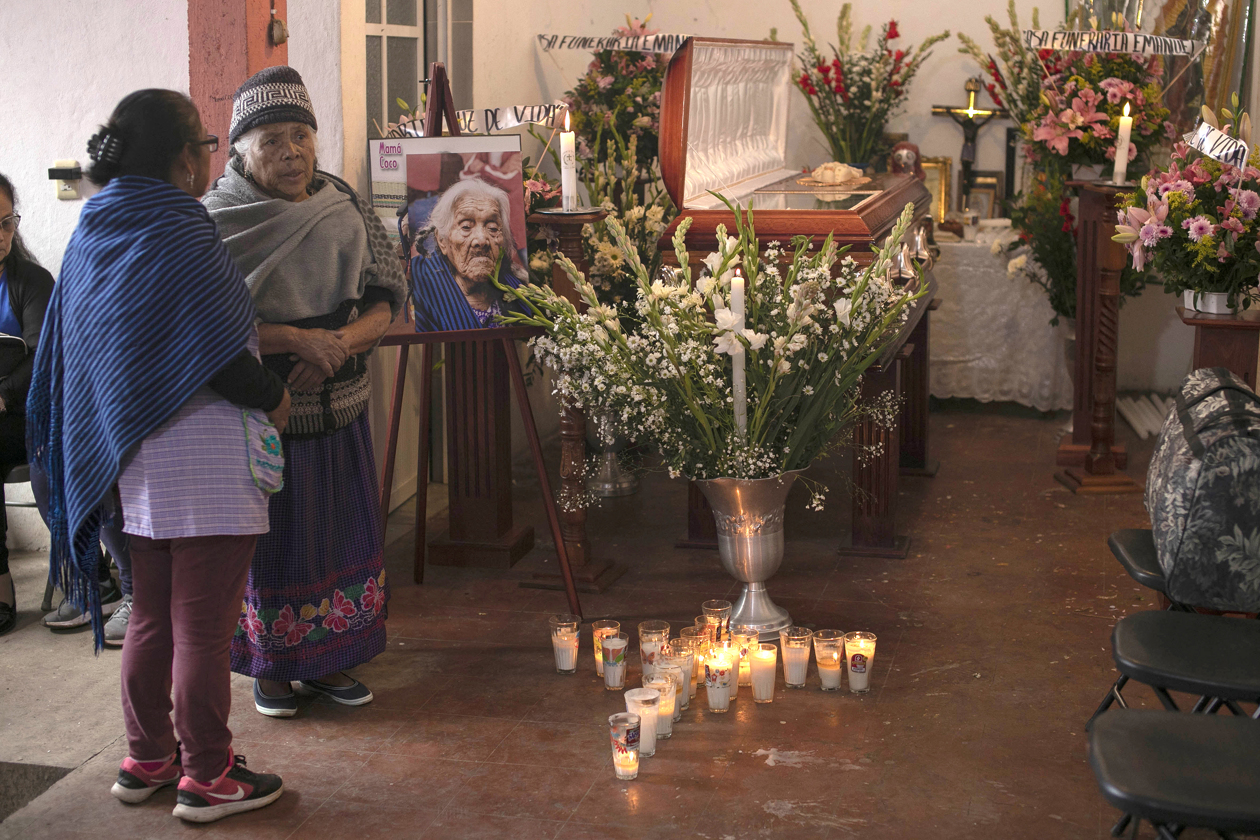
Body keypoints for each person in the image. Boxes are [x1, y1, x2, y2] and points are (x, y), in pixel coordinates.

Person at [27, 89, 289, 822]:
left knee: (149, 618)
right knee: (203, 630)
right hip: (205, 464)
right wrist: (274, 397)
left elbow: (81, 352)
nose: (210, 156)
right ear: (184, 158)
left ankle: (148, 757)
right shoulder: (180, 227)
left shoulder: (94, 227)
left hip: (129, 461)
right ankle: (207, 775)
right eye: (207, 144)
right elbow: (217, 355)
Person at [203, 66, 406, 717]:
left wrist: (339, 344)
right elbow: (204, 322)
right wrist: (296, 339)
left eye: (300, 135)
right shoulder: (214, 220)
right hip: (262, 410)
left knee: (338, 531)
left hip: (341, 402)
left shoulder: (341, 202)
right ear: (239, 150)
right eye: (271, 140)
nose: (291, 152)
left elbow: (386, 296)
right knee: (273, 541)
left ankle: (328, 662)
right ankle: (273, 670)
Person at [0, 173, 54, 636]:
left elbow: (44, 358)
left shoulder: (32, 281)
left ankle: (0, 583)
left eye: (5, 223)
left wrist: (2, 394)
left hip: (27, 418)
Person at [410, 177, 529, 331]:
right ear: (442, 241)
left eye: (492, 228)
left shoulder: (519, 289)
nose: (481, 240)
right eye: (466, 226)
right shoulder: (420, 282)